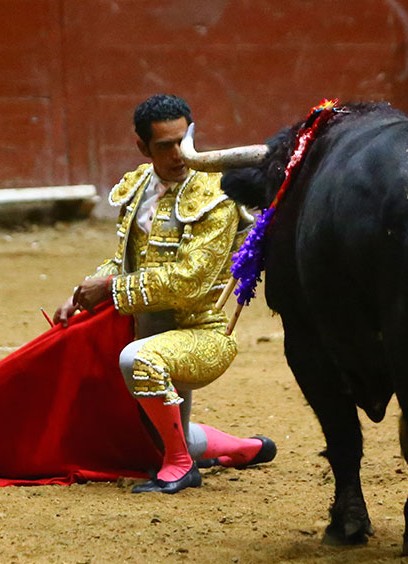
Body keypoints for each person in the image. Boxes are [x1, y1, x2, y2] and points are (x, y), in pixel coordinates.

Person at [53, 94, 275, 494]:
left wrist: (111, 289)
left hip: (203, 334)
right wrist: (82, 293)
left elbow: (190, 282)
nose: (178, 154)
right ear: (142, 148)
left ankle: (181, 466)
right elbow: (125, 263)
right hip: (152, 327)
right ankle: (243, 449)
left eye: (182, 141)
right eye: (164, 146)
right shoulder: (137, 187)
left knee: (137, 359)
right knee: (153, 438)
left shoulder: (215, 194)